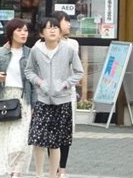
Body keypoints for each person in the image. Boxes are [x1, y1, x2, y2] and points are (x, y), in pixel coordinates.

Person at [26, 16, 83, 178]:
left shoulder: (68, 50)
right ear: (41, 33)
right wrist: (39, 82)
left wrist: (65, 84)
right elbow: (29, 71)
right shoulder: (36, 50)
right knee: (37, 139)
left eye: (55, 28)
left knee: (55, 142)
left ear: (60, 33)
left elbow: (79, 72)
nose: (52, 30)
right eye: (48, 28)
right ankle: (38, 174)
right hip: (43, 101)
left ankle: (53, 175)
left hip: (62, 101)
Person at [0, 18, 34, 178]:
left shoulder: (30, 53)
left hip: (24, 100)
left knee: (20, 143)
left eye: (25, 30)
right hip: (3, 100)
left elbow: (35, 80)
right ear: (11, 33)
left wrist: (35, 103)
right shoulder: (1, 53)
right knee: (1, 140)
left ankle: (16, 172)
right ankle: (9, 171)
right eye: (19, 30)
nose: (23, 33)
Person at [47, 11, 80, 178]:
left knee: (65, 132)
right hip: (48, 94)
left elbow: (75, 69)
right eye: (65, 21)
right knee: (51, 130)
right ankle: (54, 169)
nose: (69, 24)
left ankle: (63, 169)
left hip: (67, 93)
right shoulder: (44, 45)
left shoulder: (72, 44)